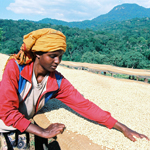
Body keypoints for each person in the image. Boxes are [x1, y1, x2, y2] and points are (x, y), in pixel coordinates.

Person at [0, 28, 149, 149]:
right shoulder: (16, 68)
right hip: (4, 126)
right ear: (38, 53)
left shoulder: (56, 81)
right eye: (52, 56)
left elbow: (84, 105)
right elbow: (6, 111)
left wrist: (122, 127)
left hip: (20, 126)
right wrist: (42, 131)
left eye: (60, 56)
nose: (57, 61)